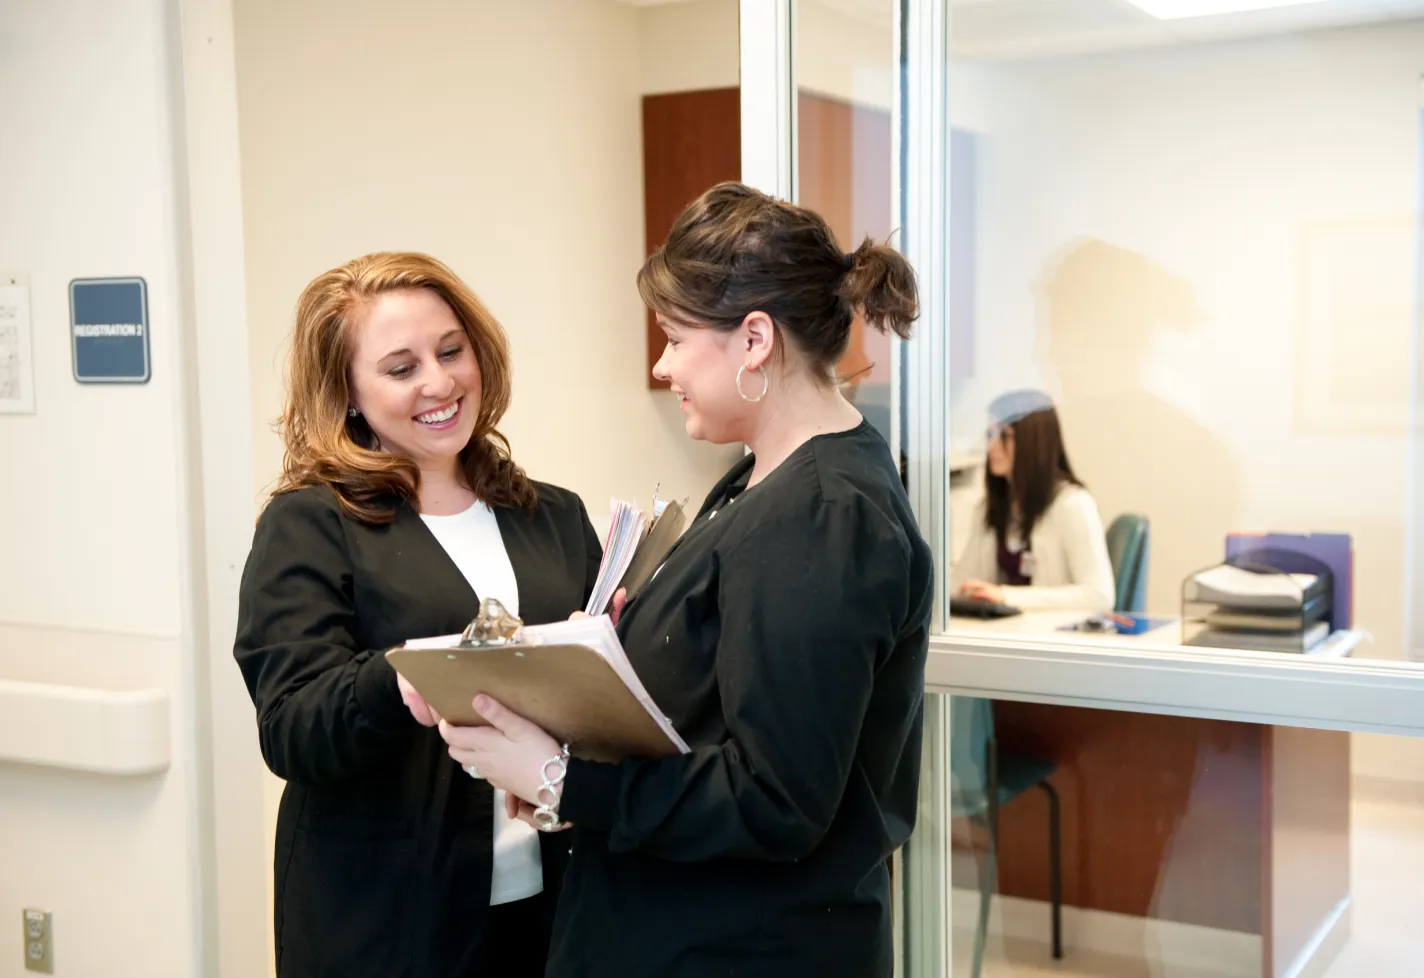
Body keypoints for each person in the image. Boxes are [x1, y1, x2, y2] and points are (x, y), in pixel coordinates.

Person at [427, 182, 935, 978]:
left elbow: (776, 802)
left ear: (755, 339)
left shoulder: (823, 516)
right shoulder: (764, 482)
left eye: (674, 338)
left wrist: (562, 779)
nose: (663, 366)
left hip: (742, 949)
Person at [233, 252, 601, 978]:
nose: (438, 383)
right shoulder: (310, 525)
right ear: (348, 393)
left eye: (451, 351)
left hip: (550, 912)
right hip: (388, 926)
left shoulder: (552, 515)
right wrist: (412, 680)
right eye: (400, 369)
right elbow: (292, 729)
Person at [952, 388, 1115, 611]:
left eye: (1004, 436)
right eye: (990, 435)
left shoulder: (1073, 504)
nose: (992, 447)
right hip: (1001, 634)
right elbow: (964, 581)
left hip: (1050, 640)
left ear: (1034, 441)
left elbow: (1099, 596)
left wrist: (1005, 596)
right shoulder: (991, 506)